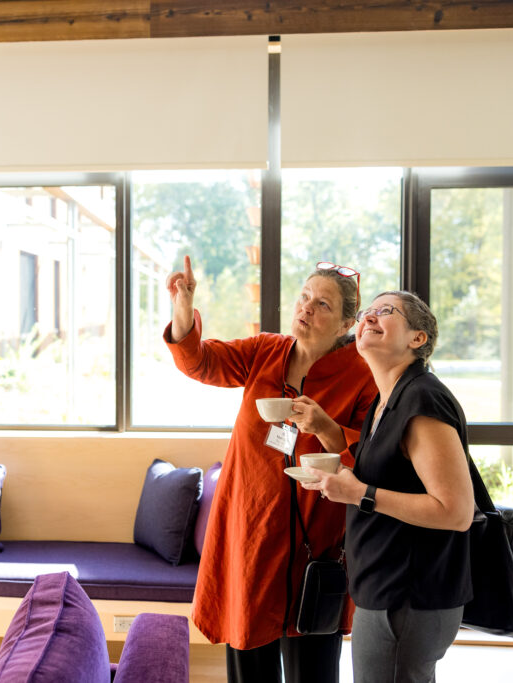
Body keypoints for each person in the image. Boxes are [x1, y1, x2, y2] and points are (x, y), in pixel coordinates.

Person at [164, 255, 378, 683]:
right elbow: (199, 363)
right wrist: (183, 307)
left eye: (323, 305)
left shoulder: (361, 375)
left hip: (316, 542)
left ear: (345, 325)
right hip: (252, 536)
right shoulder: (265, 351)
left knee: (312, 669)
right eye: (304, 297)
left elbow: (371, 455)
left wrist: (326, 427)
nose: (305, 309)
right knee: (250, 664)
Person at [302, 291, 474, 683]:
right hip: (387, 589)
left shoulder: (422, 399)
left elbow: (456, 512)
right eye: (366, 313)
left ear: (418, 339)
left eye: (386, 311)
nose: (370, 318)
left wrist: (358, 494)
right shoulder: (388, 400)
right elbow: (379, 474)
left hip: (407, 596)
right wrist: (328, 442)